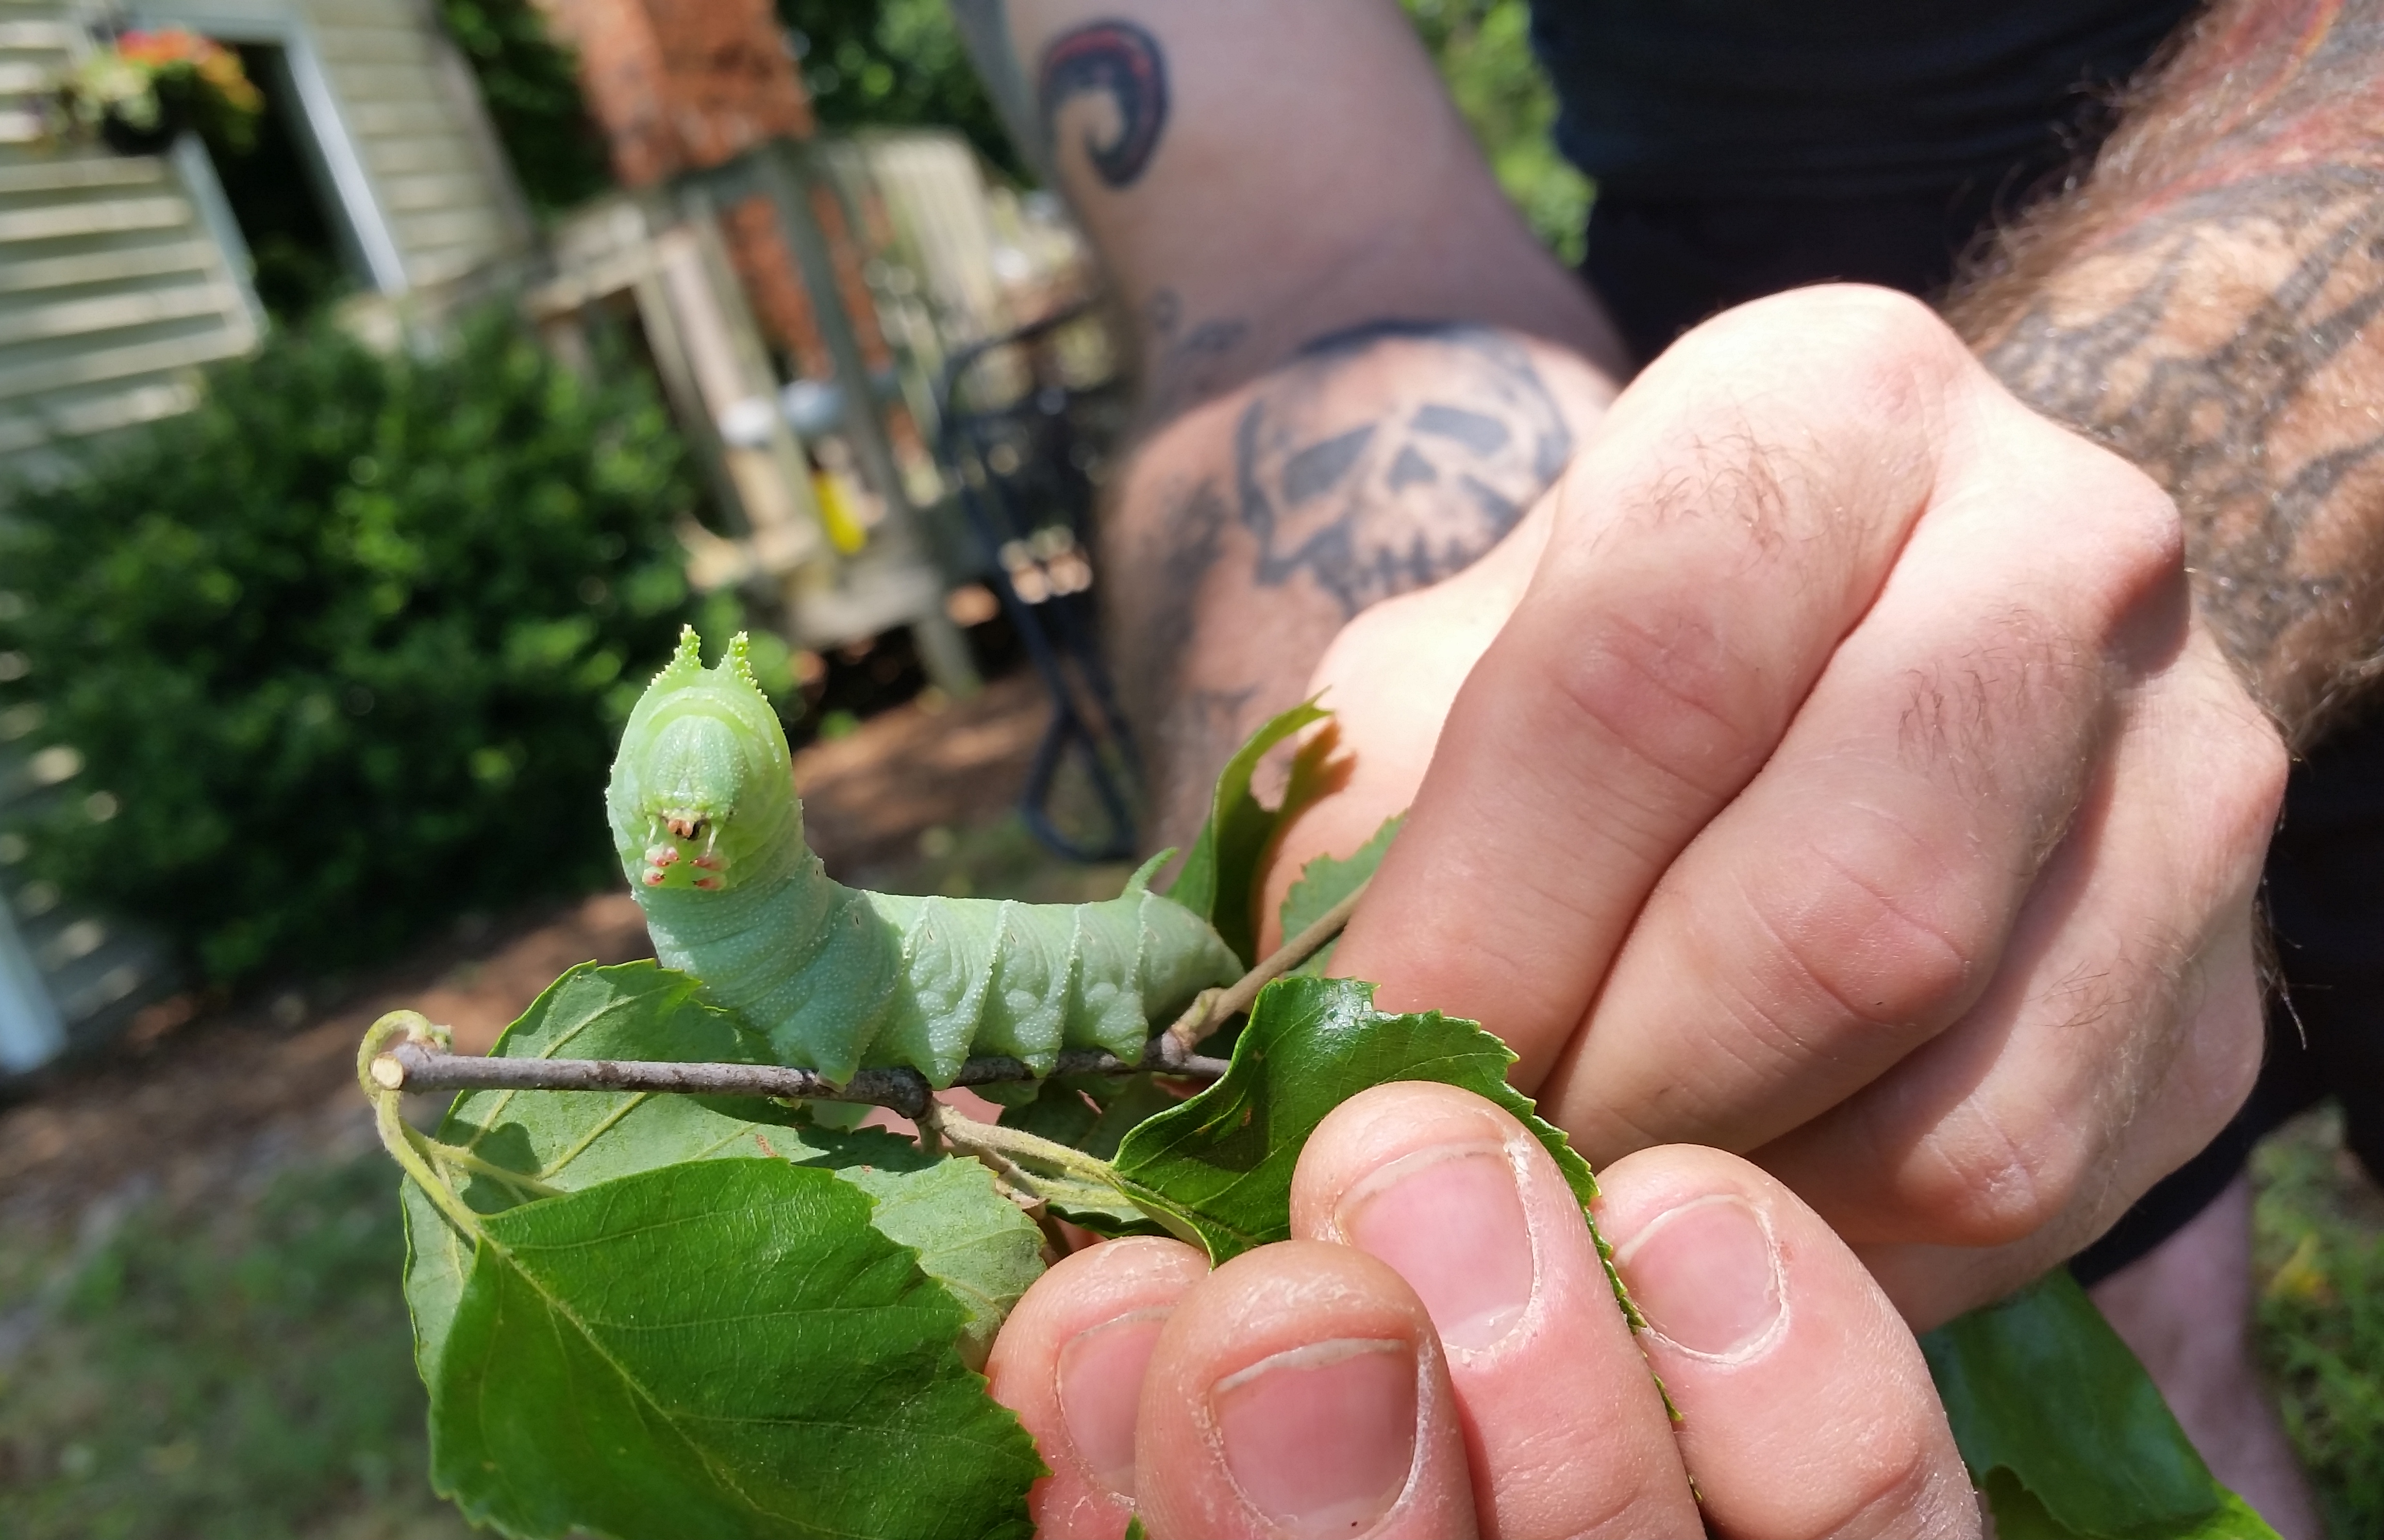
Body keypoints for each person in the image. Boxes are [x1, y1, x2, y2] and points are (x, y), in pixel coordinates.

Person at [936, 1, 2384, 1534]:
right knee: (2105, 1322)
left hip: (1855, 559)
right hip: (1680, 536)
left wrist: (1974, 624)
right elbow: (1306, 286)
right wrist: (1397, 769)